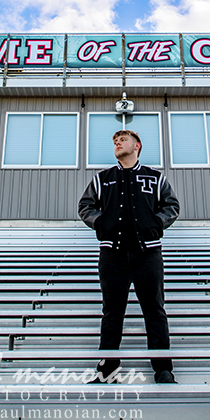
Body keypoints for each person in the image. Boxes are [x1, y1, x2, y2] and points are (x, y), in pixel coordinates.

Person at [78, 129, 180, 384]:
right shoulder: (103, 179)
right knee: (112, 312)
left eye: (122, 140)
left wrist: (156, 224)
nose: (117, 143)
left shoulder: (155, 178)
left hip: (148, 253)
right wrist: (101, 224)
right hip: (113, 255)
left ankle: (163, 370)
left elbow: (172, 207)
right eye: (114, 141)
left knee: (154, 310)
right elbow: (85, 207)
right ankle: (107, 371)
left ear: (137, 146)